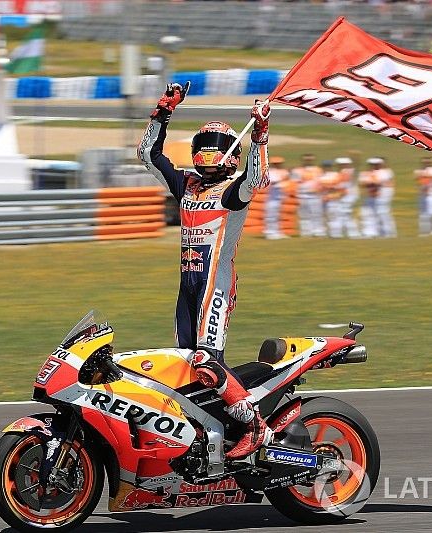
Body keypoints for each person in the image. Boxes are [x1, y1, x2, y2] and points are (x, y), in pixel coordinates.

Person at [138, 82, 273, 459]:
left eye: (216, 144)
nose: (207, 150)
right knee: (185, 365)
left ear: (231, 153)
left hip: (217, 285)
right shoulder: (186, 185)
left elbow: (255, 177)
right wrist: (162, 112)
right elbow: (148, 155)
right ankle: (210, 430)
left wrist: (260, 133)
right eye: (203, 144)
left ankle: (254, 426)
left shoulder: (234, 191)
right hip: (187, 285)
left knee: (206, 360)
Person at [290, 154, 324, 237]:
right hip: (302, 195)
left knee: (317, 214)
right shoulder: (297, 171)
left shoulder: (318, 170)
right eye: (306, 159)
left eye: (310, 159)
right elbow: (293, 183)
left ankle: (318, 231)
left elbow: (322, 182)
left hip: (315, 195)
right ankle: (306, 232)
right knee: (304, 215)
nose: (308, 161)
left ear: (313, 160)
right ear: (303, 160)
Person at [414, 156, 432, 236]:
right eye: (425, 162)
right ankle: (424, 232)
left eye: (428, 162)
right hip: (423, 195)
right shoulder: (418, 171)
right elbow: (419, 179)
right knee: (423, 214)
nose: (426, 163)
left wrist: (424, 176)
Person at [334, 157, 362, 239]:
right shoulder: (348, 171)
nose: (338, 166)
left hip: (348, 197)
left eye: (339, 164)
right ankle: (344, 233)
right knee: (344, 215)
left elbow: (343, 184)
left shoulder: (346, 172)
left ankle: (352, 234)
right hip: (348, 196)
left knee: (345, 215)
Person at [263, 155, 289, 240]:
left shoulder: (283, 171)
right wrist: (283, 181)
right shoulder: (270, 172)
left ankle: (277, 232)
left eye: (279, 163)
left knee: (278, 216)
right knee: (271, 215)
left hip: (280, 197)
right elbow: (273, 182)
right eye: (276, 163)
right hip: (272, 198)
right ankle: (270, 233)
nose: (278, 165)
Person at [318, 160, 344, 238]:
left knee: (334, 216)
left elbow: (340, 187)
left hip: (334, 199)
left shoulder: (336, 175)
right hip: (324, 199)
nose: (326, 168)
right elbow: (318, 188)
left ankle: (336, 234)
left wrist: (328, 187)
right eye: (325, 166)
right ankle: (330, 233)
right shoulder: (320, 176)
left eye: (327, 166)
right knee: (327, 217)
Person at [358, 158, 383, 238]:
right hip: (367, 196)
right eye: (371, 165)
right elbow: (362, 183)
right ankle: (368, 232)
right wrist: (370, 183)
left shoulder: (381, 173)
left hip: (377, 197)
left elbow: (378, 183)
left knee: (376, 214)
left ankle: (377, 232)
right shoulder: (365, 173)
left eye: (375, 165)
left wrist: (370, 183)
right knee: (366, 214)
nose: (373, 167)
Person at [375, 157, 397, 238]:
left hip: (385, 194)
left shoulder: (387, 172)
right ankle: (381, 232)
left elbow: (390, 184)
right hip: (378, 194)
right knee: (379, 213)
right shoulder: (376, 172)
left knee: (384, 213)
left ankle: (389, 232)